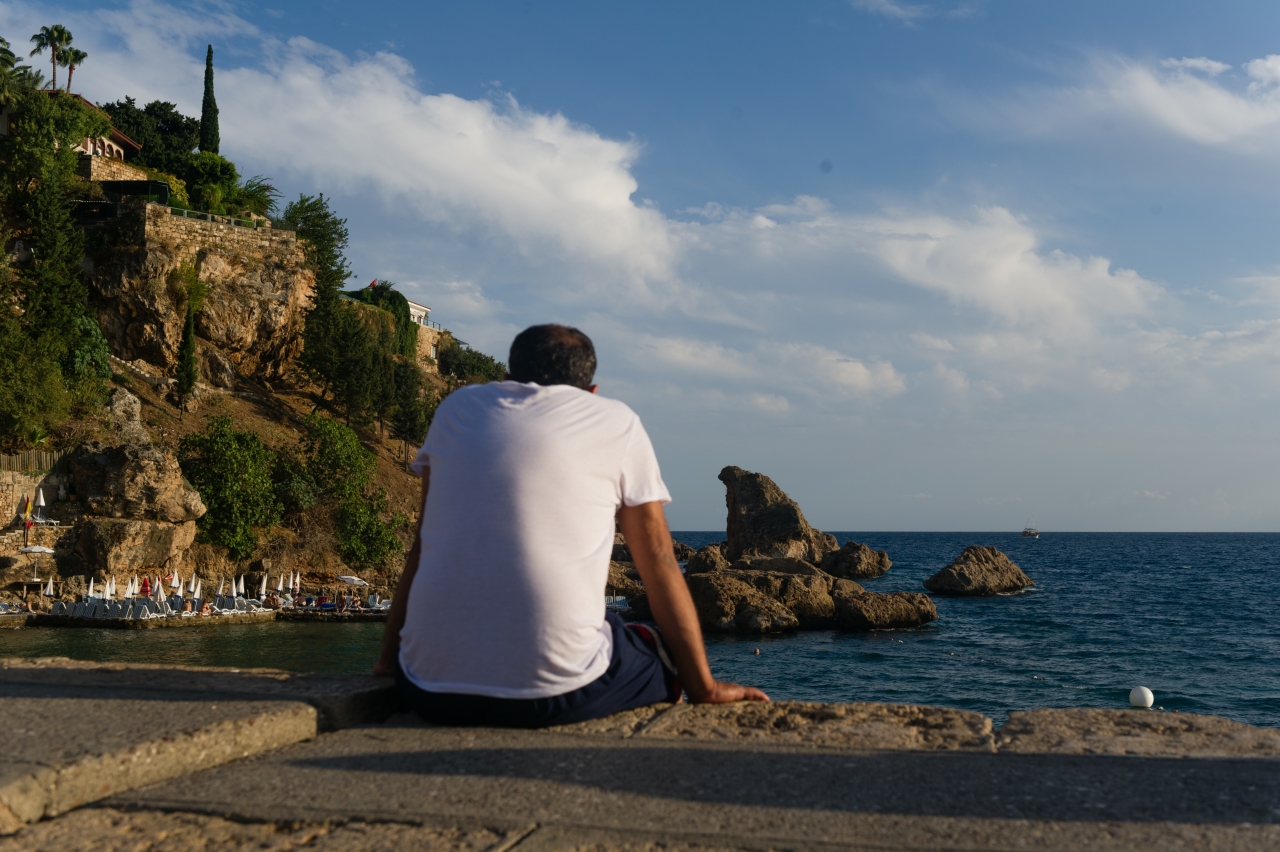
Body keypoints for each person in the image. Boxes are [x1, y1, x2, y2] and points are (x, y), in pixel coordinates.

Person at [375, 324, 767, 728]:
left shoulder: (456, 409)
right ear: (591, 392)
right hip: (556, 699)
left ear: (507, 380)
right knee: (656, 646)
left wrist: (388, 660)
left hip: (428, 691)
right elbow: (661, 561)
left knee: (610, 626)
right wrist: (704, 688)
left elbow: (423, 545)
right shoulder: (617, 421)